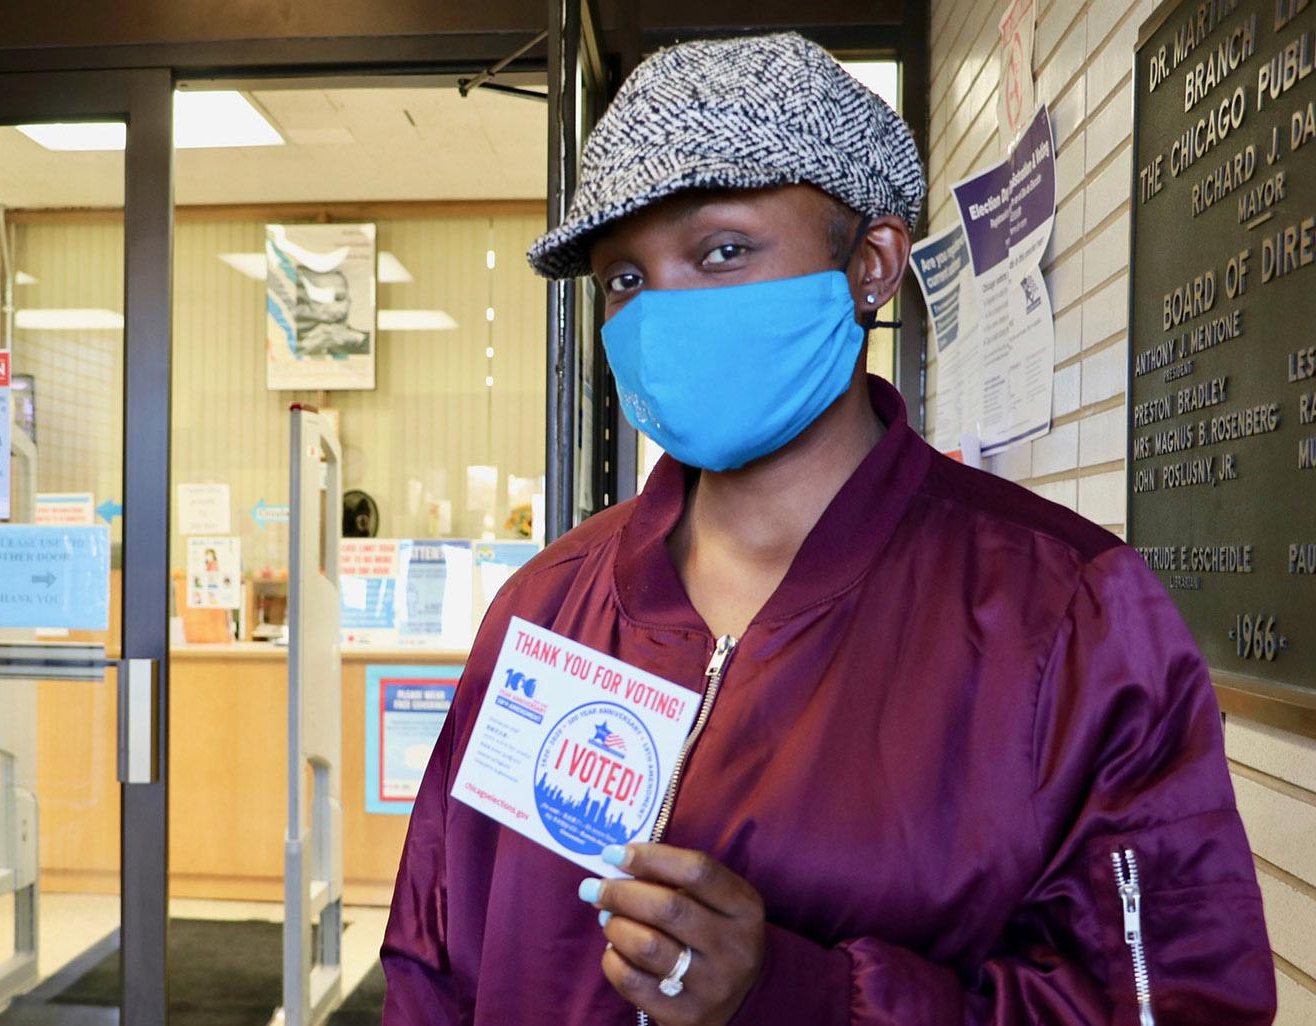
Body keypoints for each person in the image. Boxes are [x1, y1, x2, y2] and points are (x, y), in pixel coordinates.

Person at [381, 33, 1274, 1026]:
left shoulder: (1067, 617)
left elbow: (1174, 1002)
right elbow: (433, 956)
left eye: (722, 251)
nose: (660, 310)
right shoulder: (546, 607)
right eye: (624, 279)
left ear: (872, 264)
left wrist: (800, 996)